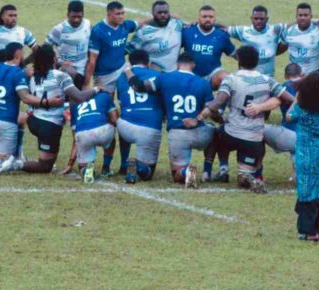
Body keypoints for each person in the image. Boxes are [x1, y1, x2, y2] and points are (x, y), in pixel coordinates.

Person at [196, 46, 294, 193]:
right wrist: (266, 105)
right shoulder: (267, 80)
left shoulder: (231, 78)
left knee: (215, 133)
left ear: (239, 61)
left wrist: (202, 115)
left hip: (231, 134)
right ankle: (249, 178)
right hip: (253, 139)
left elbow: (219, 100)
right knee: (244, 175)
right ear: (257, 61)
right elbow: (289, 99)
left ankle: (215, 170)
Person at [0, 44, 99, 174]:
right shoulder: (60, 76)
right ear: (53, 59)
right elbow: (79, 97)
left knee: (51, 157)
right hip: (48, 125)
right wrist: (97, 89)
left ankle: (43, 158)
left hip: (33, 121)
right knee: (45, 167)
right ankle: (15, 164)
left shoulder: (32, 75)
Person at [124, 52, 215, 188]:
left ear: (177, 65)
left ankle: (184, 171)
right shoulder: (203, 82)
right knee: (215, 132)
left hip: (178, 132)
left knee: (177, 175)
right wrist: (198, 119)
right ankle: (207, 171)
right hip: (200, 130)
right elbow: (212, 109)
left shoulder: (164, 78)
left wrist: (128, 71)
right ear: (193, 65)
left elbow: (138, 87)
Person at [0, 43, 64, 173]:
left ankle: (17, 155)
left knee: (22, 119)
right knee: (5, 161)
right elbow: (25, 98)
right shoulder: (18, 73)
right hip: (6, 122)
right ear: (18, 54)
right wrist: (48, 101)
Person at [284, 73, 319, 241]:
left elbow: (288, 116)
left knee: (307, 190)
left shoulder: (301, 109)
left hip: (308, 153)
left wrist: (296, 98)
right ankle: (316, 226)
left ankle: (309, 231)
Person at [115, 50, 164, 183]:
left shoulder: (121, 77)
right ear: (148, 63)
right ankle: (138, 166)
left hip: (125, 127)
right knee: (148, 173)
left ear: (130, 63)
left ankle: (125, 162)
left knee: (124, 117)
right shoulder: (157, 75)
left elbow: (121, 103)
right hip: (148, 129)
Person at [84, 1, 140, 92]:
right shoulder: (98, 31)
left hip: (122, 68)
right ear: (109, 14)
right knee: (107, 103)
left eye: (123, 13)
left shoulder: (125, 25)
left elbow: (142, 23)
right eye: (118, 14)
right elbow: (92, 61)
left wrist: (157, 17)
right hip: (104, 76)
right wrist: (86, 84)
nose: (121, 16)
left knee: (130, 94)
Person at [63, 92, 118, 183]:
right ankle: (106, 167)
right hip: (103, 131)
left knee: (83, 164)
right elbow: (115, 119)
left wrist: (70, 164)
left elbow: (75, 140)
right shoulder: (104, 95)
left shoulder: (75, 104)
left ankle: (85, 170)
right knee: (111, 136)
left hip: (83, 135)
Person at [180, 5, 235, 90]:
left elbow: (235, 54)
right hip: (190, 74)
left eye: (211, 17)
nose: (208, 19)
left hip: (212, 75)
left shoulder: (221, 35)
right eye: (204, 17)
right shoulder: (187, 32)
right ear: (198, 18)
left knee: (226, 78)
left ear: (215, 19)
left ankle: (221, 103)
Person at [227, 5, 286, 76]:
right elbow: (223, 30)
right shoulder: (243, 31)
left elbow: (292, 28)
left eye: (261, 19)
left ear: (267, 19)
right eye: (256, 18)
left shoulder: (275, 30)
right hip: (248, 79)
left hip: (268, 80)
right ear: (251, 18)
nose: (258, 21)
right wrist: (232, 51)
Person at [45, 0, 91, 89]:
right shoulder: (59, 29)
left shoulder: (87, 24)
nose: (76, 20)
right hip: (66, 71)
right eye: (73, 16)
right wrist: (59, 61)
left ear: (83, 15)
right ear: (68, 15)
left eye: (79, 17)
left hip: (82, 70)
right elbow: (46, 48)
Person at [127, 0, 183, 73]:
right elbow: (132, 53)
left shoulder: (177, 25)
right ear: (153, 13)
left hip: (174, 74)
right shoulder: (143, 32)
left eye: (165, 12)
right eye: (159, 12)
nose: (163, 15)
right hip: (154, 75)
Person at [279, 3, 319, 75]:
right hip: (295, 76)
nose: (303, 18)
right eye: (300, 15)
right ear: (296, 16)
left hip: (313, 74)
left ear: (311, 16)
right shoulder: (288, 31)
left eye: (306, 15)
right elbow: (280, 48)